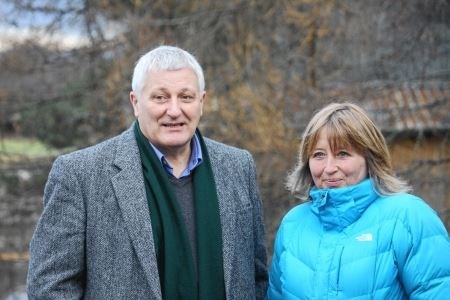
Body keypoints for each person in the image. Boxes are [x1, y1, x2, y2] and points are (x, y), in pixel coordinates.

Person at [27, 45, 268, 299]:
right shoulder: (80, 174)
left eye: (185, 97)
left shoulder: (238, 166)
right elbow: (49, 287)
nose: (174, 110)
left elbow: (257, 278)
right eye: (160, 97)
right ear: (136, 102)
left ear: (202, 102)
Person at [267, 102, 450, 299]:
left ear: (369, 157)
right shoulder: (293, 224)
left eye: (342, 154)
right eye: (319, 155)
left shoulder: (408, 216)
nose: (329, 167)